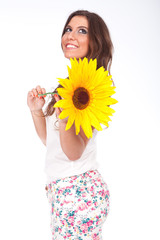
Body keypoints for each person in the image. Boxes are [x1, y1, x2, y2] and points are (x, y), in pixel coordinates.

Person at [27, 10, 113, 240]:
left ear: (96, 42)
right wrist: (36, 111)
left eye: (81, 31)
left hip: (78, 193)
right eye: (68, 29)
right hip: (66, 192)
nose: (70, 35)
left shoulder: (92, 90)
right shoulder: (69, 84)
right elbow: (53, 142)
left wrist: (64, 117)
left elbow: (73, 153)